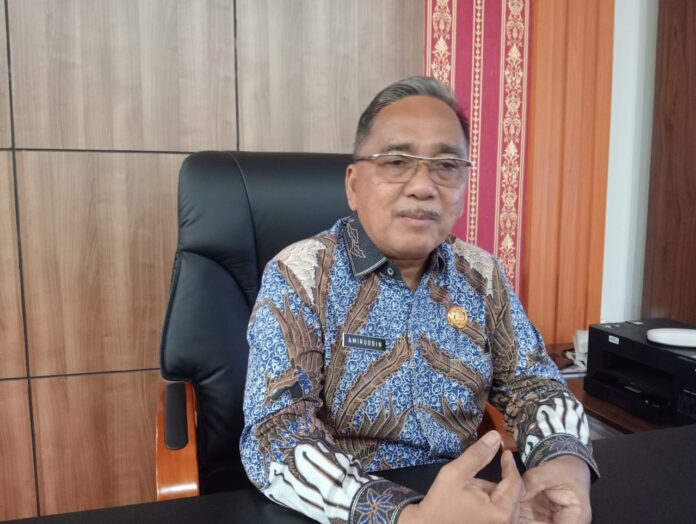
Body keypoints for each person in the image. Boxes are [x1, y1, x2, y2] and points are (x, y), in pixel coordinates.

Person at [241, 76, 598, 524]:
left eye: (446, 165)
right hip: (342, 510)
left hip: (470, 506)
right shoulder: (301, 274)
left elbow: (534, 384)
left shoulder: (481, 275)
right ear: (353, 184)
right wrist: (406, 515)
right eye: (396, 161)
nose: (423, 186)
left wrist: (565, 467)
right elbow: (275, 434)